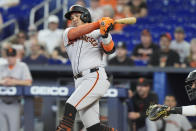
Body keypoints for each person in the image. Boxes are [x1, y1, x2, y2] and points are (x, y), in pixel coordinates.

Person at [56, 5, 117, 131]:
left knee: (70, 106)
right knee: (94, 128)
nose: (74, 19)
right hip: (79, 81)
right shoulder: (67, 32)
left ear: (85, 16)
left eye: (77, 16)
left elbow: (110, 49)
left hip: (95, 76)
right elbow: (77, 32)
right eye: (72, 17)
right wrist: (98, 24)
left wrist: (105, 34)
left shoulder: (98, 32)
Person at [0, 48, 32, 131]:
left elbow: (28, 82)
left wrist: (14, 81)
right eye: (9, 56)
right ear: (6, 57)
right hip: (1, 102)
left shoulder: (22, 66)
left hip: (15, 103)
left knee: (14, 129)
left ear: (16, 56)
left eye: (12, 56)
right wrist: (3, 82)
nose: (10, 58)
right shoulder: (2, 67)